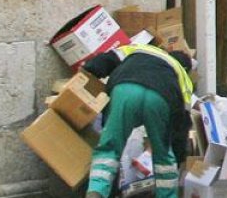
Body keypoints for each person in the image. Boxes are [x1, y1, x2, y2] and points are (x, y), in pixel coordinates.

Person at [82, 43, 195, 198]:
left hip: (126, 89)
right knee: (163, 157)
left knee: (109, 147)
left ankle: (97, 190)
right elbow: (181, 124)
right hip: (160, 98)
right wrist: (176, 154)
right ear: (186, 69)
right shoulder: (183, 77)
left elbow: (105, 60)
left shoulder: (141, 48)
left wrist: (88, 68)